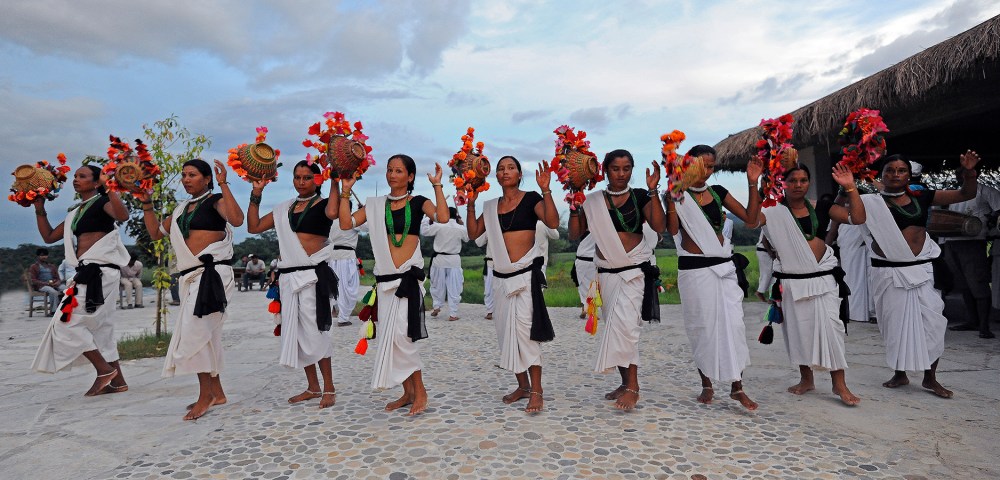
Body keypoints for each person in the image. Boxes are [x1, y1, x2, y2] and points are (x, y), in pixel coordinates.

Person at [862, 152, 980, 398]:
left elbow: (966, 194)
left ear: (909, 174)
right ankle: (900, 373)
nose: (895, 174)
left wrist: (969, 172)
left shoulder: (923, 195)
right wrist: (847, 187)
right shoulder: (872, 202)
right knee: (895, 324)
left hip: (921, 269)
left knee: (933, 324)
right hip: (888, 271)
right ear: (881, 174)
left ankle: (930, 378)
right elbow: (841, 214)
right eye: (890, 170)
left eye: (901, 170)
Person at [339, 154, 448, 416]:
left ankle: (420, 392)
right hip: (385, 283)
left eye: (399, 171)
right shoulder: (376, 205)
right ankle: (408, 392)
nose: (392, 175)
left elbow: (442, 217)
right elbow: (346, 223)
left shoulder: (419, 202)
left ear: (410, 177)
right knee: (395, 337)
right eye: (389, 170)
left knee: (403, 337)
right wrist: (345, 192)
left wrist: (437, 185)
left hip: (407, 281)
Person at [138, 158, 244, 420]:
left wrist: (223, 184)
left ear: (206, 178)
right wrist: (146, 202)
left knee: (194, 333)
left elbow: (237, 219)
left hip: (214, 275)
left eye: (192, 174)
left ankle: (205, 395)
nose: (186, 179)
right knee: (207, 336)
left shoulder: (216, 200)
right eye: (184, 175)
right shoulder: (180, 210)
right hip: (192, 278)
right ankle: (217, 393)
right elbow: (155, 233)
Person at [757, 163, 864, 406]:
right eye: (792, 180)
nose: (798, 185)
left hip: (822, 279)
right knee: (798, 331)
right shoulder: (773, 211)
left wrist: (850, 187)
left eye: (803, 180)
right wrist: (755, 186)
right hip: (792, 282)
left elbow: (857, 218)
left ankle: (839, 384)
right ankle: (807, 379)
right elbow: (753, 222)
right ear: (782, 183)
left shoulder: (822, 207)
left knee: (832, 330)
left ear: (809, 182)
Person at [663, 145, 760, 410]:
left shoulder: (718, 193)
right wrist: (673, 197)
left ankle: (737, 387)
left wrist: (753, 183)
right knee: (702, 327)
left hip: (724, 269)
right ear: (688, 165)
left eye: (711, 166)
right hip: (694, 271)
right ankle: (706, 383)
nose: (707, 171)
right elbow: (671, 230)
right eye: (702, 165)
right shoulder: (677, 194)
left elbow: (751, 219)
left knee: (733, 327)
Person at [570, 149, 665, 411]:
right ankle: (624, 383)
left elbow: (659, 226)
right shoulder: (593, 201)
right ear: (604, 171)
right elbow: (575, 234)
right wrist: (574, 205)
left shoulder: (640, 196)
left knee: (626, 328)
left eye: (626, 169)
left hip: (633, 272)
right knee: (616, 327)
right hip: (606, 274)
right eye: (615, 169)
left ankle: (633, 387)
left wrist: (654, 190)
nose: (621, 174)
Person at [467, 155, 559, 413]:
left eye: (511, 168)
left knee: (527, 337)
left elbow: (553, 222)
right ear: (495, 176)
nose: (505, 172)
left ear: (519, 174)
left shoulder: (531, 199)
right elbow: (474, 234)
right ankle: (522, 386)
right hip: (500, 279)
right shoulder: (489, 206)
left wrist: (546, 190)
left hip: (524, 278)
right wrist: (471, 205)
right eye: (501, 169)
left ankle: (537, 391)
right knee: (506, 334)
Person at [31, 164, 130, 396]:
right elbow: (48, 236)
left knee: (65, 322)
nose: (76, 179)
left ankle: (104, 371)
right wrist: (39, 207)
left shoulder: (103, 202)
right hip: (87, 271)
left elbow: (123, 215)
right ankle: (118, 382)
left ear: (96, 182)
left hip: (101, 272)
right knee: (101, 329)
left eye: (82, 176)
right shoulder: (76, 211)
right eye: (75, 176)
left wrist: (110, 187)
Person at [247, 160, 340, 409]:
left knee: (317, 333)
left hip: (312, 276)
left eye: (307, 177)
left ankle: (329, 387)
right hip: (288, 278)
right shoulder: (283, 209)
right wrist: (256, 193)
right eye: (297, 177)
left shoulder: (323, 205)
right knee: (298, 334)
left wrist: (334, 181)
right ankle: (312, 387)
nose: (301, 182)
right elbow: (253, 227)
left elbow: (334, 213)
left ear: (316, 180)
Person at [942, 165, 1000, 339]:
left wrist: (990, 225)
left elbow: (998, 211)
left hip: (973, 241)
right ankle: (972, 320)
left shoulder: (985, 191)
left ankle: (984, 326)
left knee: (978, 282)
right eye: (959, 171)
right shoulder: (953, 193)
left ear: (976, 173)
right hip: (951, 241)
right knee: (963, 284)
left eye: (965, 171)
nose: (961, 175)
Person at [423, 207, 469, 321]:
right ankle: (453, 313)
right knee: (455, 286)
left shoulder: (439, 226)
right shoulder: (460, 228)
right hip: (454, 260)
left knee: (437, 284)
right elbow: (468, 238)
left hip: (439, 259)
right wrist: (462, 225)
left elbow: (424, 231)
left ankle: (437, 306)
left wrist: (427, 217)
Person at [330, 200, 364, 327]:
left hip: (332, 258)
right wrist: (364, 212)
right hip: (346, 258)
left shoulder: (330, 221)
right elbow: (369, 226)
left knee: (336, 288)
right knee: (349, 289)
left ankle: (339, 315)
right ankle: (343, 318)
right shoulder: (352, 220)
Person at [29, 248, 61, 315]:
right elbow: (33, 280)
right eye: (42, 255)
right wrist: (46, 283)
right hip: (41, 286)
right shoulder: (34, 267)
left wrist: (57, 282)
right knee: (53, 292)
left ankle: (64, 309)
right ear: (38, 256)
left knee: (65, 289)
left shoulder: (51, 266)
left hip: (53, 284)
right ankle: (53, 311)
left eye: (46, 255)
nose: (44, 257)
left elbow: (58, 278)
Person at [572, 232, 597, 319]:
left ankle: (585, 309)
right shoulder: (599, 228)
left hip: (581, 260)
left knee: (583, 287)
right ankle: (590, 310)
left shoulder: (582, 230)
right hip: (593, 260)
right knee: (593, 286)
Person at [474, 233, 495, 320]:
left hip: (505, 262)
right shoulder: (489, 229)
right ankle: (490, 311)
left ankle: (501, 311)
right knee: (489, 288)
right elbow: (478, 242)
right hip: (491, 263)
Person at [754, 232, 774, 303]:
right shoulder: (768, 223)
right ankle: (760, 291)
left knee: (772, 274)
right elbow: (764, 240)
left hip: (766, 251)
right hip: (765, 251)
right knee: (767, 273)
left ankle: (771, 296)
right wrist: (771, 253)